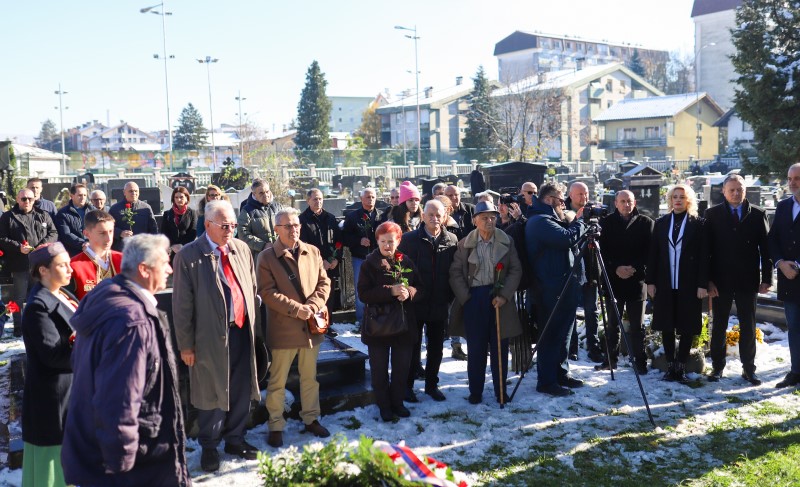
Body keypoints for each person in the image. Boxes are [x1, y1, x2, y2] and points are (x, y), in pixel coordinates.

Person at [62, 234, 190, 486]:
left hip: (105, 456)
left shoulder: (111, 298)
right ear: (143, 269)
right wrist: (121, 465)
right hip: (132, 466)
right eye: (164, 262)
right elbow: (118, 399)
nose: (169, 269)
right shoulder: (131, 322)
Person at [172, 200, 260, 472]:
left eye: (233, 225)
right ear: (207, 224)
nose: (230, 230)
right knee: (211, 390)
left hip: (242, 331)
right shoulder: (188, 256)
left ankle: (235, 438)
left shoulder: (241, 248)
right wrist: (186, 345)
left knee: (241, 387)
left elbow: (252, 286)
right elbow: (182, 307)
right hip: (208, 337)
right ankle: (209, 445)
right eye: (225, 226)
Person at [257, 208, 331, 447]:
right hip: (283, 328)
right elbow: (267, 292)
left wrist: (314, 304)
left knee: (310, 378)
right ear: (276, 229)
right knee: (277, 381)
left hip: (310, 328)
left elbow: (324, 282)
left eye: (296, 224)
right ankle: (276, 424)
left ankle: (311, 418)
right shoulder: (267, 257)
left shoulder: (313, 251)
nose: (294, 229)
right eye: (287, 226)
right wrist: (296, 309)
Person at [450, 201, 522, 404]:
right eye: (484, 217)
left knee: (500, 347)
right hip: (474, 299)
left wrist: (504, 295)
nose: (489, 221)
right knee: (476, 349)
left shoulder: (507, 241)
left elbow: (516, 270)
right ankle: (476, 391)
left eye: (492, 217)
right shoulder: (464, 244)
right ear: (475, 221)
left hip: (499, 298)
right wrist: (466, 297)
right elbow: (455, 273)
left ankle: (501, 391)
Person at [705, 174, 772, 385]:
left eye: (739, 189)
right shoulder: (712, 214)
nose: (736, 193)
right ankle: (717, 367)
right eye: (731, 190)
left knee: (748, 325)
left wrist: (767, 278)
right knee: (719, 325)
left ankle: (748, 369)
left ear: (745, 190)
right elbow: (705, 251)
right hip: (720, 281)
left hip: (747, 280)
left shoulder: (758, 214)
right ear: (724, 191)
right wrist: (708, 280)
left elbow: (766, 250)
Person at [21, 243, 76, 487]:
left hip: (70, 392)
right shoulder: (37, 307)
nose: (70, 269)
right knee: (52, 468)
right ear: (43, 270)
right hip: (52, 399)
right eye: (62, 265)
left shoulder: (62, 293)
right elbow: (53, 355)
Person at [526, 184, 587, 396]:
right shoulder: (539, 221)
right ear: (550, 199)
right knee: (550, 335)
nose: (563, 204)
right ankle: (546, 381)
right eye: (561, 200)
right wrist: (581, 222)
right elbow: (565, 239)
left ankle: (561, 373)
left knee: (564, 334)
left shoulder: (552, 219)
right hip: (549, 288)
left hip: (564, 285)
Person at [359, 221, 421, 420]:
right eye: (383, 241)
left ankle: (397, 402)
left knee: (401, 368)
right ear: (377, 241)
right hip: (379, 325)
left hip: (403, 325)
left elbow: (420, 286)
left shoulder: (406, 261)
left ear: (398, 241)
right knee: (379, 369)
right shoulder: (370, 263)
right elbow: (363, 294)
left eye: (391, 241)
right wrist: (390, 291)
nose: (387, 245)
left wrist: (409, 293)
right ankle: (384, 406)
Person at [646, 184, 708, 384]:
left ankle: (681, 365)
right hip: (665, 282)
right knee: (667, 324)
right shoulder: (662, 223)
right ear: (670, 200)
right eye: (675, 197)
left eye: (682, 197)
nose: (678, 200)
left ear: (688, 200)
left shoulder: (698, 224)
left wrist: (702, 283)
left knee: (687, 324)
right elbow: (653, 254)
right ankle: (670, 364)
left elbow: (704, 257)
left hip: (688, 283)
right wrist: (650, 281)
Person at [398, 200, 458, 402]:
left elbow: (454, 271)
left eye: (438, 215)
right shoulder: (408, 240)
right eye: (430, 214)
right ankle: (407, 386)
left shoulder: (451, 240)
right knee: (412, 347)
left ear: (444, 216)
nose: (435, 219)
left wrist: (449, 296)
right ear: (423, 216)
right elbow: (401, 270)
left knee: (436, 348)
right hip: (416, 303)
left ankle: (432, 385)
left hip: (440, 301)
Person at [597, 190, 654, 373]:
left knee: (637, 326)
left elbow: (650, 252)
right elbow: (602, 251)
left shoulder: (646, 223)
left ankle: (639, 361)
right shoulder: (605, 223)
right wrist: (616, 268)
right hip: (614, 280)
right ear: (616, 203)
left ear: (634, 202)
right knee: (612, 324)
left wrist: (633, 268)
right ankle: (610, 360)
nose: (626, 205)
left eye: (629, 201)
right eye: (622, 201)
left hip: (636, 281)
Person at [0, 188, 58, 336]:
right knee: (18, 298)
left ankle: (40, 324)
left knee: (41, 294)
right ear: (18, 200)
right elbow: (2, 238)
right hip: (19, 263)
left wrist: (41, 246)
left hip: (40, 264)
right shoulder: (8, 217)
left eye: (30, 199)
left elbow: (53, 233)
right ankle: (18, 327)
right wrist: (18, 247)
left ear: (35, 200)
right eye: (24, 199)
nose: (27, 202)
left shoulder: (43, 215)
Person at [564, 181, 604, 363]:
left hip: (591, 265)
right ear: (571, 195)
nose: (584, 197)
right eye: (580, 194)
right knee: (570, 309)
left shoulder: (593, 210)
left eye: (586, 193)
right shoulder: (562, 212)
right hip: (573, 268)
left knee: (592, 309)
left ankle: (593, 347)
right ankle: (571, 348)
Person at [769, 162, 800, 388]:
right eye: (790, 179)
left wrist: (796, 265)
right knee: (794, 328)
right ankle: (796, 371)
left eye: (797, 178)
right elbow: (773, 240)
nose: (792, 183)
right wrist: (780, 263)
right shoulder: (782, 206)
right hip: (788, 279)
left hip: (796, 272)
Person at [299, 188, 343, 315]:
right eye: (315, 199)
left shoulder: (330, 218)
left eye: (320, 199)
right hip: (313, 266)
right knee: (315, 295)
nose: (318, 202)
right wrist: (320, 262)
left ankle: (328, 324)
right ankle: (317, 323)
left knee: (329, 295)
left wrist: (336, 258)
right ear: (308, 201)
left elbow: (339, 240)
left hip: (331, 265)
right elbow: (304, 244)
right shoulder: (302, 220)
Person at [342, 187, 379, 328]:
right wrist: (359, 241)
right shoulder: (353, 217)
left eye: (373, 197)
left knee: (378, 286)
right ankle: (361, 319)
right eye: (368, 197)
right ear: (361, 199)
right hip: (360, 258)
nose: (371, 200)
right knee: (360, 288)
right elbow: (345, 236)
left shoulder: (381, 216)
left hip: (378, 258)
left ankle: (377, 316)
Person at [68, 210, 123, 300]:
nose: (109, 238)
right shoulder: (73, 266)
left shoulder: (124, 260)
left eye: (111, 231)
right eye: (102, 233)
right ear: (86, 234)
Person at [238, 178, 284, 260]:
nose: (266, 195)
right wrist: (262, 245)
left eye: (267, 191)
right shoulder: (247, 210)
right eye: (261, 193)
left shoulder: (278, 206)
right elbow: (242, 233)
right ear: (254, 194)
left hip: (280, 253)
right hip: (260, 256)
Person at [109, 181, 158, 251]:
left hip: (142, 249)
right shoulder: (115, 209)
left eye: (136, 191)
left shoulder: (146, 208)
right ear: (124, 193)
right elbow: (108, 228)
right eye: (131, 191)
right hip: (122, 249)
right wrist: (120, 233)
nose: (134, 193)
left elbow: (153, 228)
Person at [55, 183, 93, 257]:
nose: (83, 198)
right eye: (80, 195)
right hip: (73, 253)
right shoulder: (63, 213)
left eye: (85, 195)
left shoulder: (93, 211)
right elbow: (66, 234)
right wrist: (83, 243)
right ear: (71, 196)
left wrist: (91, 243)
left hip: (92, 251)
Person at [160, 186, 197, 255]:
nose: (178, 199)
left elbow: (193, 232)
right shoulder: (167, 214)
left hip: (186, 249)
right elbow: (164, 232)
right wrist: (172, 245)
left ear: (186, 198)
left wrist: (182, 245)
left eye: (181, 197)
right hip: (171, 251)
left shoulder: (192, 213)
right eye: (176, 197)